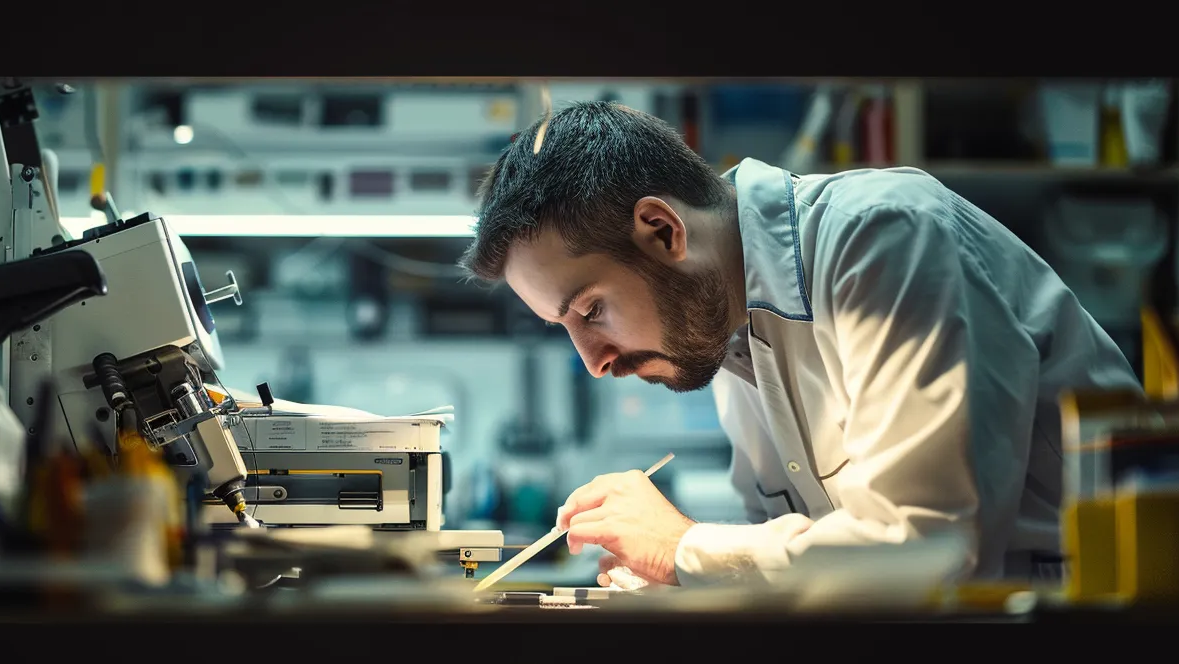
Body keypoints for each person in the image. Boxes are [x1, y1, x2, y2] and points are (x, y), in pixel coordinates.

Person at [458, 101, 1140, 589]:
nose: (595, 362)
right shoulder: (720, 328)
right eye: (568, 328)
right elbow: (801, 560)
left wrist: (685, 549)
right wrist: (686, 577)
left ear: (664, 232)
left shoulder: (881, 237)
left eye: (592, 310)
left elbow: (931, 549)